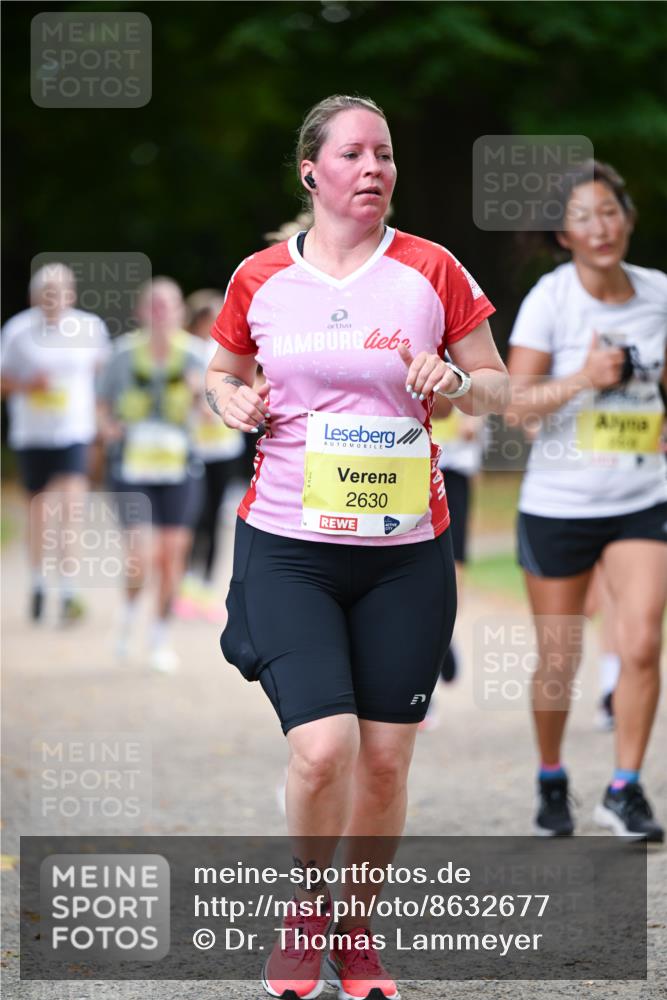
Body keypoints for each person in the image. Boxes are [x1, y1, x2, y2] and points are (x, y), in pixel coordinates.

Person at [206, 94, 508, 1000]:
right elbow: (220, 372)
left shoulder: (431, 268)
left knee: (384, 758)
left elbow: (493, 385)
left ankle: (357, 926)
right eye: (353, 155)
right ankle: (305, 911)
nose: (373, 169)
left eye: (383, 155)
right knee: (324, 748)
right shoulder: (260, 276)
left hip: (403, 552)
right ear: (312, 171)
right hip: (288, 543)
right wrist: (230, 401)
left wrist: (454, 378)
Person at [506, 160, 667, 842]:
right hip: (559, 502)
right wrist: (582, 377)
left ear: (626, 218)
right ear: (562, 235)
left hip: (641, 497)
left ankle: (624, 787)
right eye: (582, 218)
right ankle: (550, 773)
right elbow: (513, 405)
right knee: (559, 658)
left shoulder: (659, 292)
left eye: (608, 212)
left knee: (639, 644)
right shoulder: (549, 299)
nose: (599, 227)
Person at [97, 277, 205, 672]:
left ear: (180, 312)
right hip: (132, 466)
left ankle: (160, 637)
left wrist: (200, 399)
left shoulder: (197, 355)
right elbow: (101, 405)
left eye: (168, 305)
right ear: (140, 312)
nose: (161, 313)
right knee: (140, 556)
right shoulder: (122, 355)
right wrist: (107, 427)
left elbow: (215, 416)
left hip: (180, 467)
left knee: (171, 556)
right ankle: (127, 618)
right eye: (153, 305)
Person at [0, 262, 110, 623]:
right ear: (34, 296)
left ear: (71, 294)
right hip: (32, 434)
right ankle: (37, 583)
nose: (53, 299)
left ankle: (67, 589)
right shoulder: (17, 331)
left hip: (73, 431)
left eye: (59, 291)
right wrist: (28, 385)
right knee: (40, 514)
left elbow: (102, 378)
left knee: (71, 509)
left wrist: (101, 424)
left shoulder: (91, 329)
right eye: (46, 292)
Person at [173, 289, 245, 622]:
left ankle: (204, 587)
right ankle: (185, 586)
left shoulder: (231, 351)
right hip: (196, 448)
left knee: (215, 519)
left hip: (224, 448)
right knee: (195, 517)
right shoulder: (188, 351)